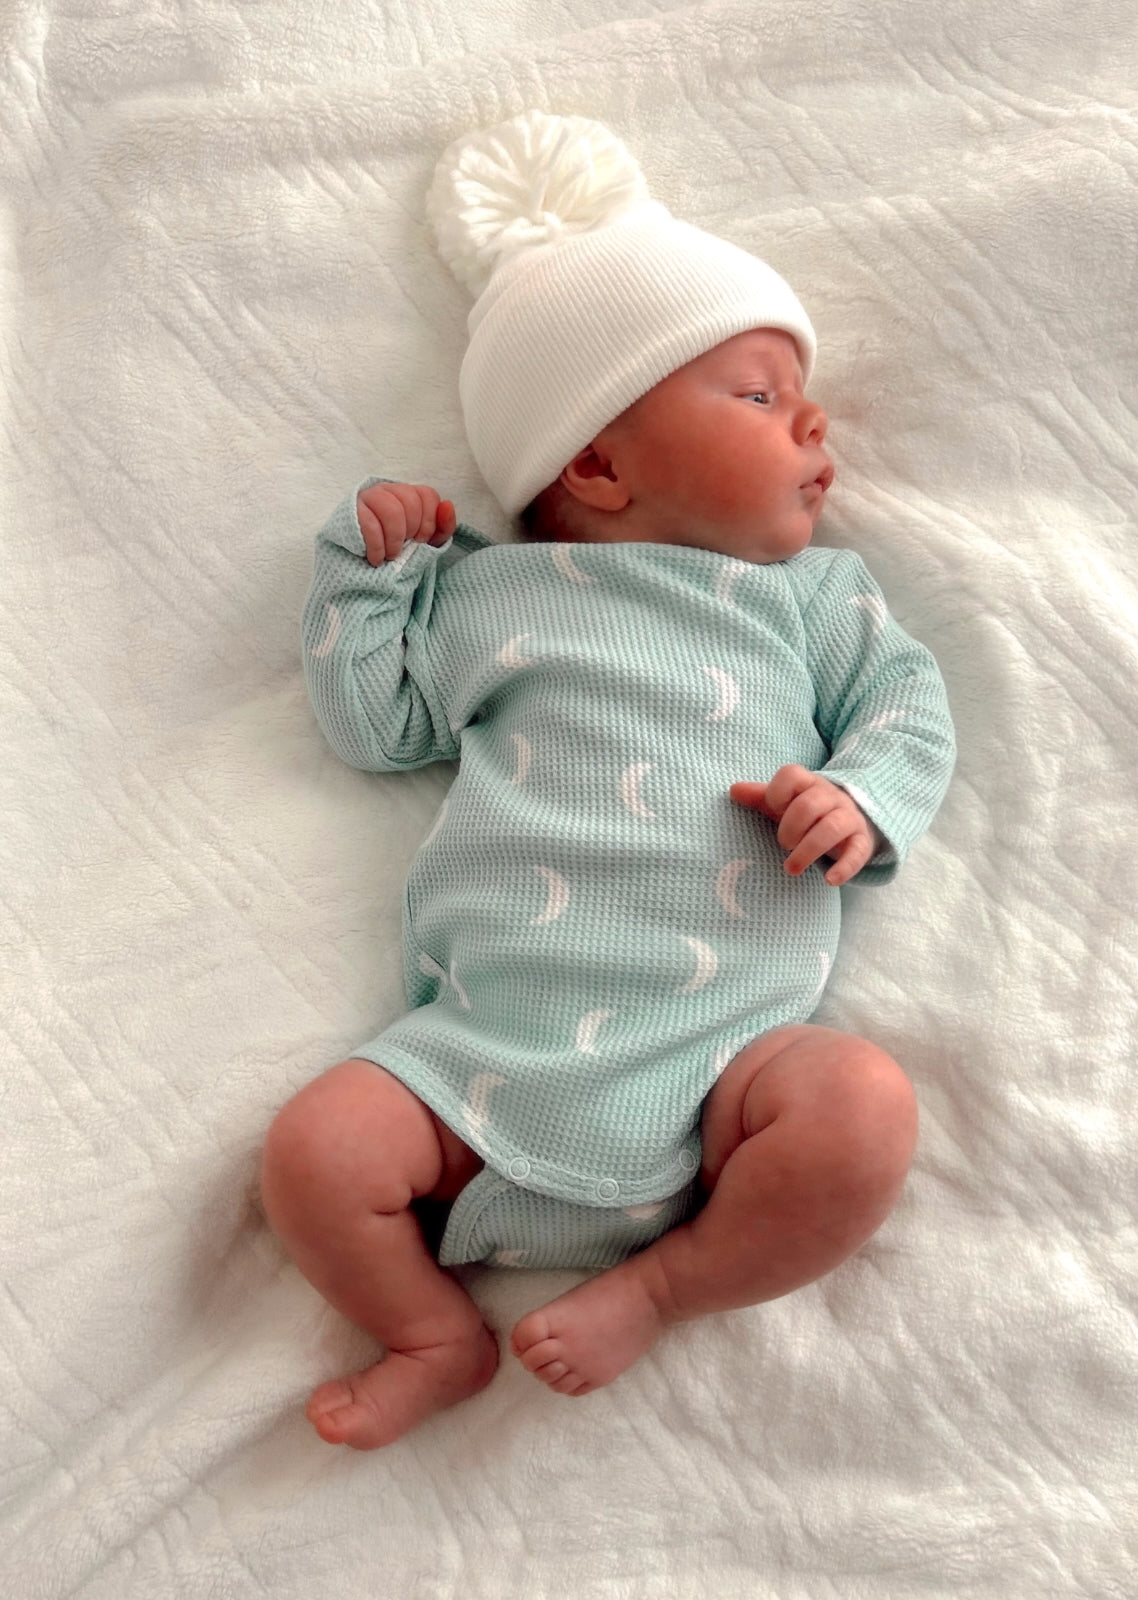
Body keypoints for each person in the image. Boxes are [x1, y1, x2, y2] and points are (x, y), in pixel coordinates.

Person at [260, 112, 956, 1450]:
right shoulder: (485, 590)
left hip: (725, 1077)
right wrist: (365, 579)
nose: (812, 423)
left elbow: (908, 711)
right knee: (319, 1151)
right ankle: (428, 1331)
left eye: (800, 398)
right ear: (595, 462)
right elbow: (379, 728)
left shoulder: (808, 600)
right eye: (757, 396)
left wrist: (862, 801)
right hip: (482, 1065)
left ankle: (667, 1286)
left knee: (862, 1110)